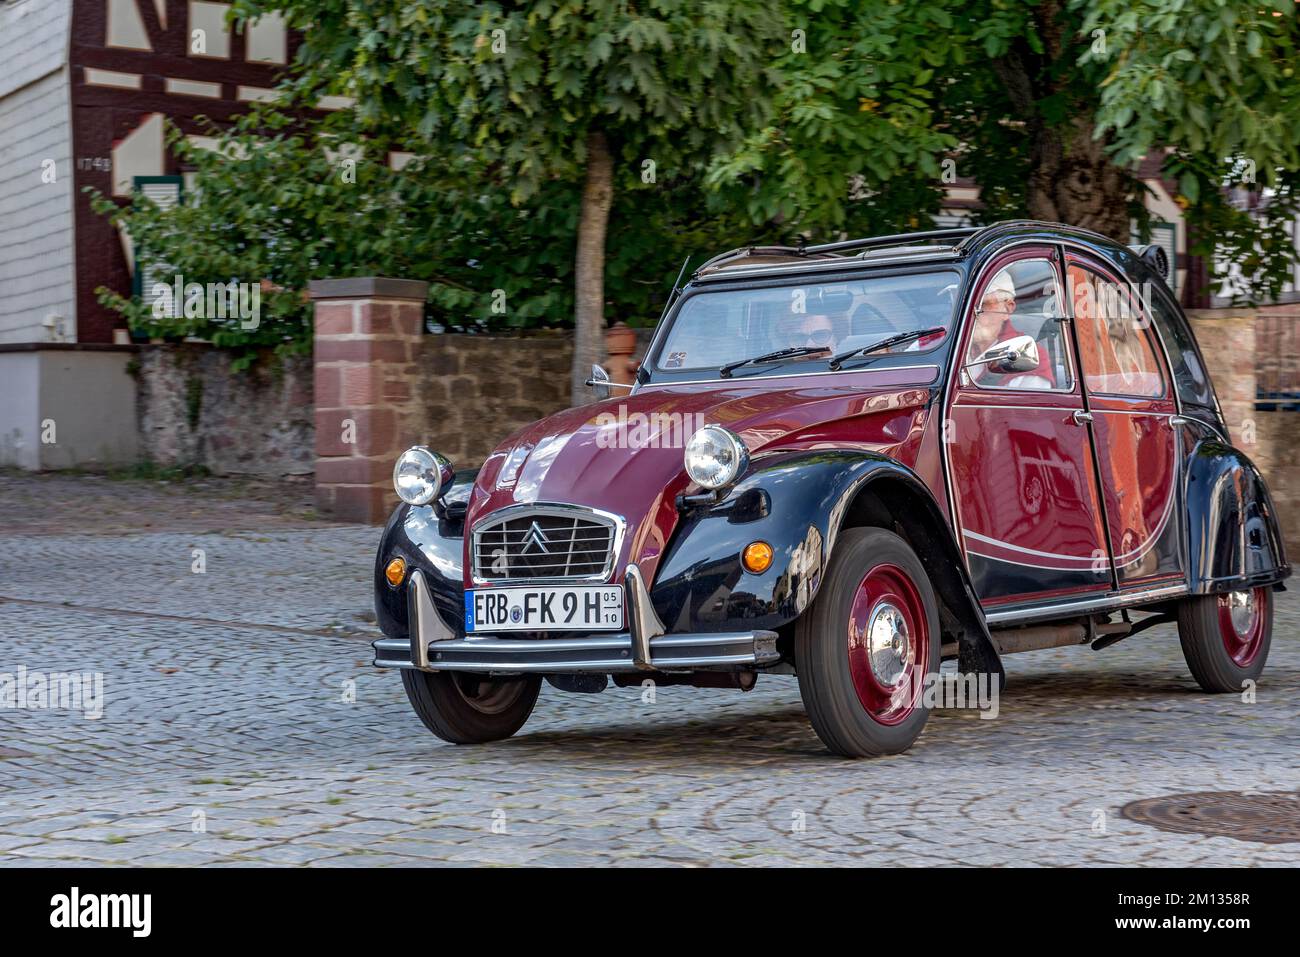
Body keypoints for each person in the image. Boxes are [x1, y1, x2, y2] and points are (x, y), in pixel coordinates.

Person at [966, 269, 1054, 389]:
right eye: (963, 308)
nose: (969, 315)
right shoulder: (956, 351)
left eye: (981, 305)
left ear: (1007, 308)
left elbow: (1030, 406)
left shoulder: (1027, 356)